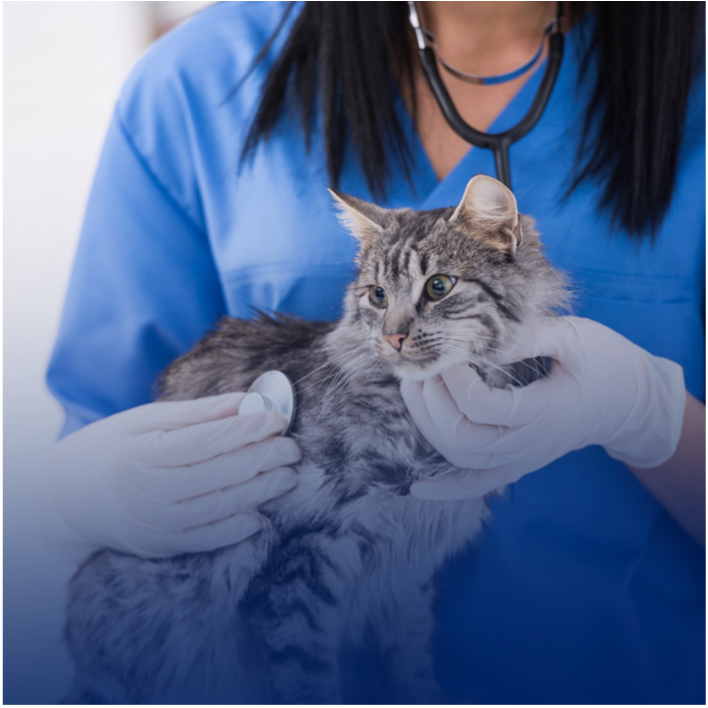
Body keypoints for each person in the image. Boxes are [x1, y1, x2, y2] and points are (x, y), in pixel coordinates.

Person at [40, 1, 705, 704]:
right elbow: (100, 429)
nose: (396, 329)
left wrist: (651, 416)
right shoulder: (201, 79)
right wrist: (70, 497)